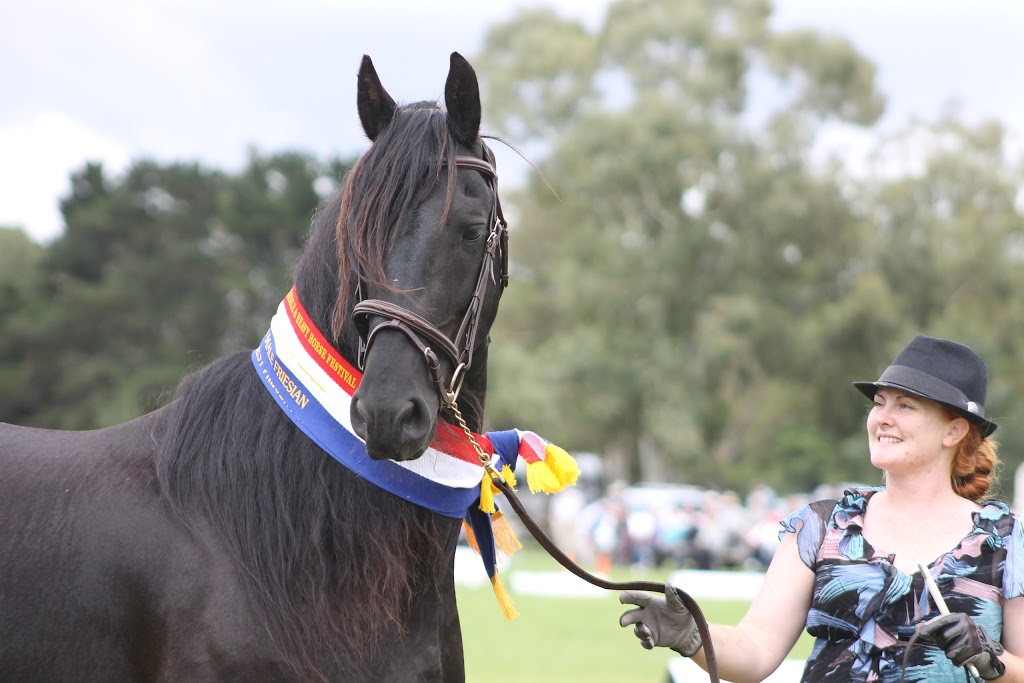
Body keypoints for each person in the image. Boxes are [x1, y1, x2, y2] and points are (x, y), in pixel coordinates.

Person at [618, 335, 1024, 682]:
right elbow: (757, 649)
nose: (882, 418)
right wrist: (693, 633)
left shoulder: (1005, 542)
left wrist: (991, 660)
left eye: (905, 407)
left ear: (953, 430)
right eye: (879, 403)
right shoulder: (823, 525)